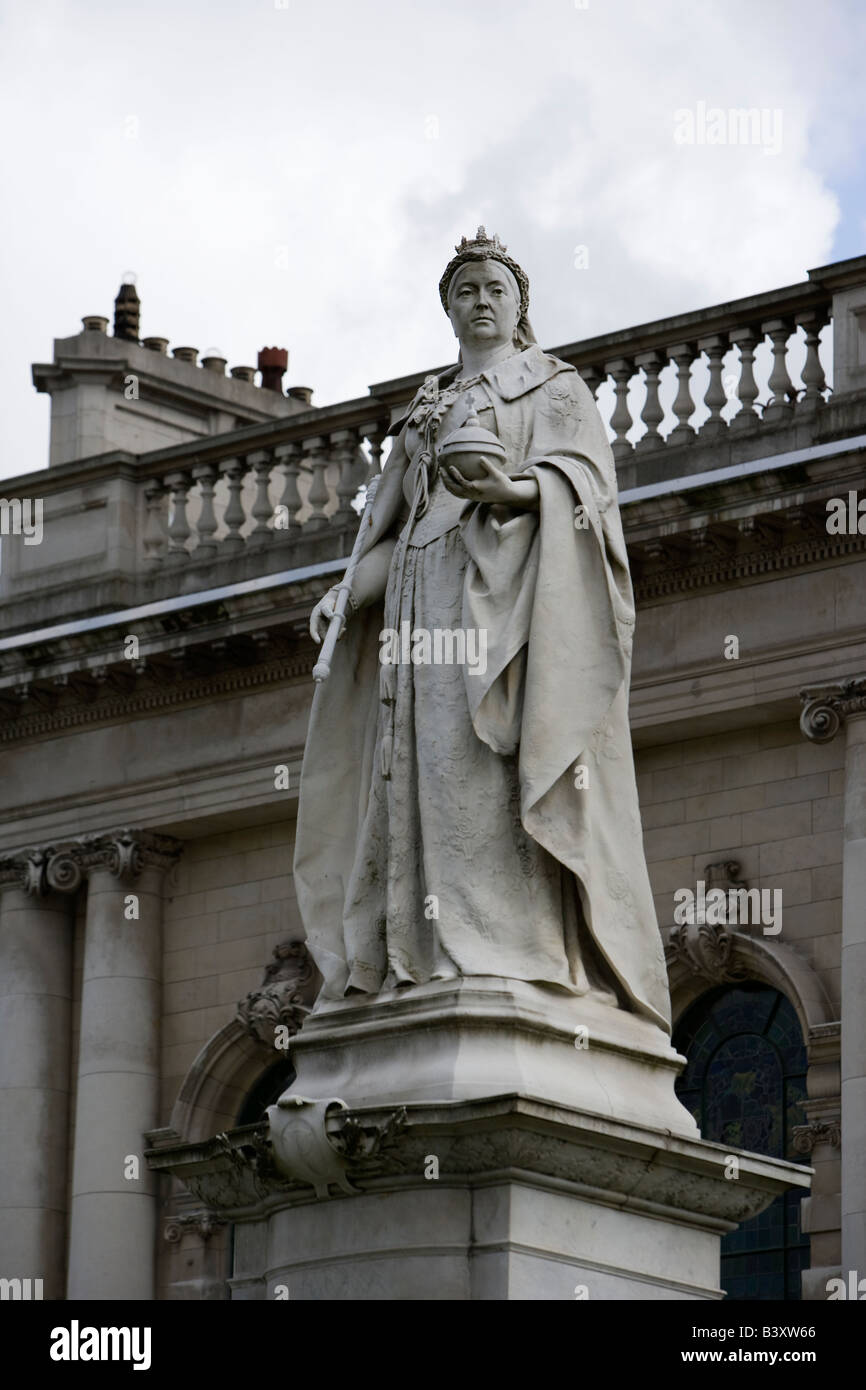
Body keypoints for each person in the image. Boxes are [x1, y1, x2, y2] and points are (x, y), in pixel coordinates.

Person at [294, 227, 671, 1032]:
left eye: (495, 288)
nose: (481, 301)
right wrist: (347, 595)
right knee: (421, 777)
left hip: (503, 600)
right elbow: (387, 532)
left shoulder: (555, 388)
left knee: (486, 767)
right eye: (465, 290)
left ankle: (512, 948)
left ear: (519, 304)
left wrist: (516, 489)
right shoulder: (424, 411)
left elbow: (590, 497)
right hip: (416, 598)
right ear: (448, 308)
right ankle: (425, 954)